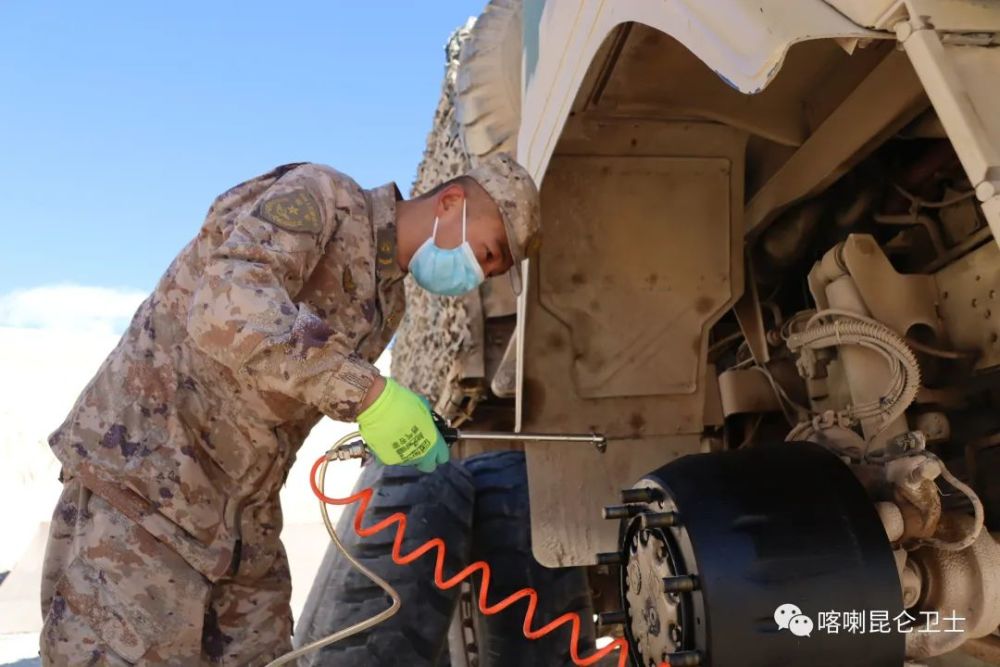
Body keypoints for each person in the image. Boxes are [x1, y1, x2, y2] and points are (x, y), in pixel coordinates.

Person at [39, 152, 540, 665]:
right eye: (490, 252)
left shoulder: (387, 303)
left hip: (237, 519)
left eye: (496, 269)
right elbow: (223, 304)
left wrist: (386, 420)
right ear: (452, 201)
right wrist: (369, 394)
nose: (483, 274)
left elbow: (288, 389)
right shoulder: (325, 197)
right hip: (145, 487)